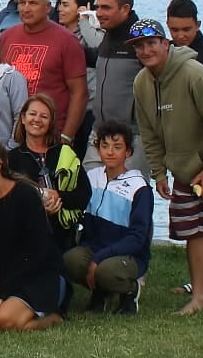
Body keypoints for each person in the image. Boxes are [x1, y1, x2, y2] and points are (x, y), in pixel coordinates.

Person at [129, 18, 203, 322]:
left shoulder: (196, 74)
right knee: (192, 233)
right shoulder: (141, 82)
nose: (146, 50)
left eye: (151, 43)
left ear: (166, 44)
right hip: (181, 171)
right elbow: (149, 134)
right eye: (139, 46)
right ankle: (198, 298)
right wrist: (159, 173)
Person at [0, 137, 67, 330]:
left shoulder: (25, 195)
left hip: (36, 275)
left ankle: (52, 317)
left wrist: (4, 291)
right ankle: (9, 305)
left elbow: (38, 252)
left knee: (5, 321)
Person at [64, 120, 152, 314]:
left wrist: (97, 260)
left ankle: (131, 291)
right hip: (96, 248)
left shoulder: (139, 187)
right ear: (98, 149)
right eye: (105, 146)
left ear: (128, 152)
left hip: (129, 255)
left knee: (106, 271)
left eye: (117, 147)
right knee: (69, 261)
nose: (110, 152)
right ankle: (100, 294)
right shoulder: (91, 177)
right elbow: (79, 216)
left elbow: (138, 238)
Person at [0, 0, 87, 144]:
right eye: (22, 3)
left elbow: (79, 93)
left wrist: (67, 136)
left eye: (33, 3)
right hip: (11, 133)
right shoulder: (6, 37)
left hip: (50, 134)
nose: (26, 8)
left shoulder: (67, 41)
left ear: (47, 7)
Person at [8, 93, 90, 252]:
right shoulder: (12, 159)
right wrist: (40, 206)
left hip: (63, 236)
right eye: (32, 114)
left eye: (44, 116)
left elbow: (84, 194)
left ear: (51, 122)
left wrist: (58, 197)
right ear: (23, 119)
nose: (37, 119)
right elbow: (8, 200)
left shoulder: (66, 153)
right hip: (25, 237)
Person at [84, 0, 144, 170]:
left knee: (129, 197)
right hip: (99, 132)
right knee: (91, 192)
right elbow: (96, 59)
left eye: (106, 8)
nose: (99, 13)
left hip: (131, 137)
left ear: (125, 8)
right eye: (97, 7)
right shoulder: (109, 35)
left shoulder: (141, 40)